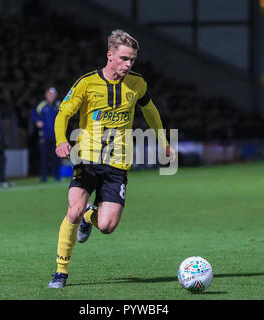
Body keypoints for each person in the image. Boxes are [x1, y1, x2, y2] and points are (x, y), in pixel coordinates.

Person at [47, 29, 176, 288]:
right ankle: (61, 272)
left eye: (132, 60)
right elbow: (63, 114)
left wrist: (162, 140)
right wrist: (61, 140)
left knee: (106, 226)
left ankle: (88, 217)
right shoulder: (86, 82)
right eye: (124, 58)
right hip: (87, 158)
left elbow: (150, 110)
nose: (129, 64)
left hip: (118, 163)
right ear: (110, 55)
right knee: (73, 210)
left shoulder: (137, 83)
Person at [31, 87, 61, 182]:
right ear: (46, 95)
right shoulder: (41, 105)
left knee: (56, 156)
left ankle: (57, 176)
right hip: (44, 135)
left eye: (53, 95)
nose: (51, 97)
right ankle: (44, 176)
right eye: (49, 95)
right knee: (44, 157)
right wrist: (37, 121)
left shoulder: (59, 105)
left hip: (56, 136)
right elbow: (33, 113)